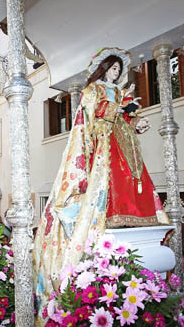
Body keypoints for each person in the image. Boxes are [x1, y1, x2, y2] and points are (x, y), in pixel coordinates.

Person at [34, 47, 169, 302]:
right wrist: (115, 109)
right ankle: (113, 213)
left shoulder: (120, 92)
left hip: (124, 141)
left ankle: (139, 213)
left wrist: (136, 121)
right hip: (104, 142)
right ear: (104, 68)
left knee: (134, 175)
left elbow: (128, 117)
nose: (116, 73)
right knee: (111, 179)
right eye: (113, 68)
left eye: (119, 70)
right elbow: (91, 113)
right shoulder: (93, 90)